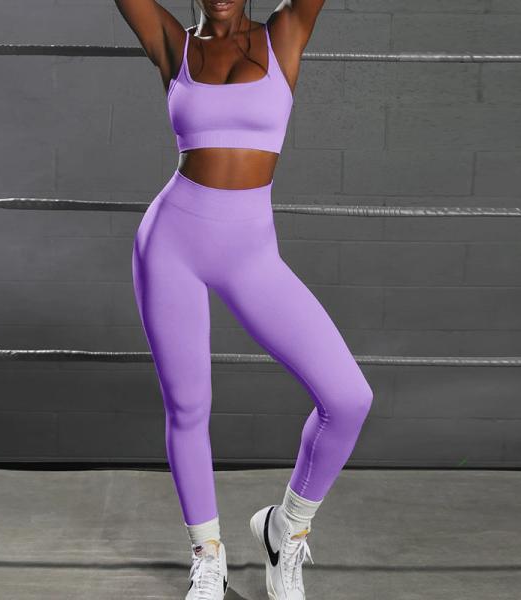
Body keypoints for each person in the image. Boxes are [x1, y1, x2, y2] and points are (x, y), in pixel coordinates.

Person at [115, 1, 373, 598]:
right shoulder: (174, 43)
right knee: (188, 407)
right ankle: (208, 557)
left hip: (252, 254)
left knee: (348, 399)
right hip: (170, 244)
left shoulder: (286, 31)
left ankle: (286, 529)